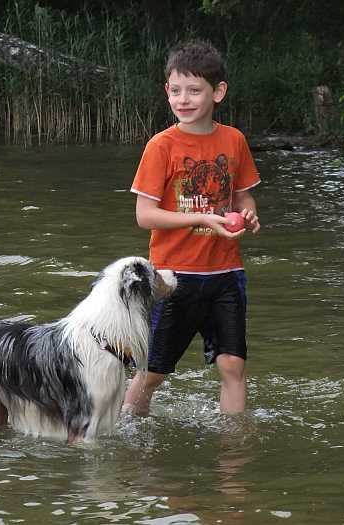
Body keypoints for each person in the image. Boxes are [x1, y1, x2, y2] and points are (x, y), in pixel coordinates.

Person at [122, 39, 261, 415]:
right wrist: (201, 218)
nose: (184, 99)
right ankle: (127, 432)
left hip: (226, 274)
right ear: (167, 90)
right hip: (171, 278)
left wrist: (247, 214)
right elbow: (144, 215)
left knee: (233, 365)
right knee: (152, 373)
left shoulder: (234, 141)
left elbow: (243, 197)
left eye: (195, 91)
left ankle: (234, 447)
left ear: (218, 92)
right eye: (177, 90)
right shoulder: (160, 146)